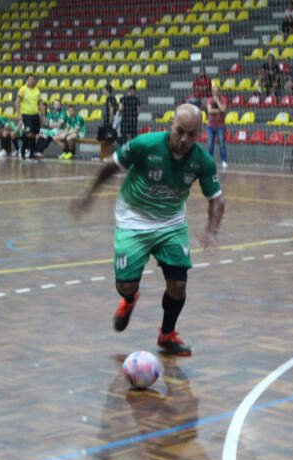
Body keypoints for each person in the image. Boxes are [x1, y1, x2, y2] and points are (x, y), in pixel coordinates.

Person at [69, 104, 225, 357]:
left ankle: (167, 335)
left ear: (200, 134)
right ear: (170, 127)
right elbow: (110, 167)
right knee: (126, 284)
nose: (184, 139)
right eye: (180, 131)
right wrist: (88, 196)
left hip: (170, 224)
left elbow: (217, 199)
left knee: (178, 285)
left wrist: (212, 230)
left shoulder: (202, 161)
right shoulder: (146, 145)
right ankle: (129, 299)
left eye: (192, 134)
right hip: (133, 220)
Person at [14, 74, 45, 160]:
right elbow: (17, 101)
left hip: (35, 114)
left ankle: (25, 150)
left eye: (33, 79)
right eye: (29, 79)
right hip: (26, 114)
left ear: (35, 81)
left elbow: (40, 103)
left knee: (35, 134)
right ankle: (29, 152)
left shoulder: (37, 91)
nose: (31, 81)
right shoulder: (23, 89)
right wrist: (18, 113)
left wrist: (43, 115)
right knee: (29, 134)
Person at [206, 86, 229, 169]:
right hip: (210, 126)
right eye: (213, 92)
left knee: (222, 144)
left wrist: (217, 101)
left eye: (216, 91)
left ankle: (224, 161)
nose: (215, 93)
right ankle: (208, 161)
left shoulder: (223, 99)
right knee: (210, 144)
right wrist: (219, 110)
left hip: (220, 126)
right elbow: (209, 111)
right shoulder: (209, 100)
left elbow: (223, 109)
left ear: (219, 92)